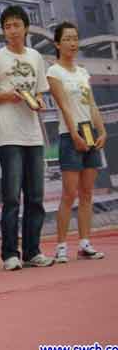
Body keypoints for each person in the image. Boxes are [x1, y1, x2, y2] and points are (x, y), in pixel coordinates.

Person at [0, 5, 54, 270]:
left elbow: (41, 90)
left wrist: (39, 102)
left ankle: (32, 252)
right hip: (9, 136)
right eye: (7, 26)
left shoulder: (35, 57)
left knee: (36, 198)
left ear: (26, 28)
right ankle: (10, 254)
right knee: (12, 198)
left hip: (33, 136)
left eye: (16, 25)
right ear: (3, 31)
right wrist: (7, 96)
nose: (12, 30)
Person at [47, 21, 106, 263]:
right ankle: (61, 246)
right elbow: (64, 106)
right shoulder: (54, 72)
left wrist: (102, 131)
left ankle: (85, 243)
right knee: (69, 194)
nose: (72, 43)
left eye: (75, 38)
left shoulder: (82, 72)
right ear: (57, 44)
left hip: (90, 134)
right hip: (70, 136)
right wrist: (74, 135)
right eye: (67, 39)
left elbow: (91, 104)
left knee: (87, 193)